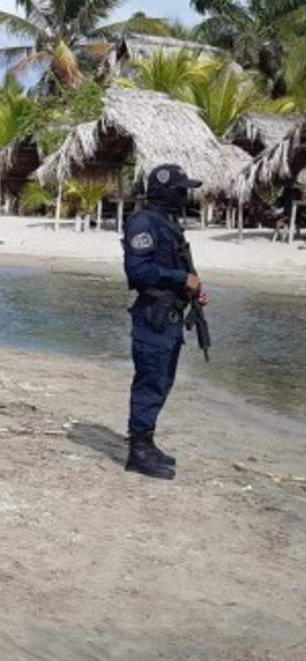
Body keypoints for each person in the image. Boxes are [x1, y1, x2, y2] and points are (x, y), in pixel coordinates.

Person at [121, 164, 210, 480]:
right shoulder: (142, 223)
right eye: (181, 189)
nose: (186, 194)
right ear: (167, 191)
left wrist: (194, 287)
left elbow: (175, 266)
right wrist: (180, 277)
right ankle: (138, 452)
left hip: (168, 316)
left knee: (161, 382)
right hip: (152, 318)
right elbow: (137, 272)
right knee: (150, 383)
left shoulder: (167, 224)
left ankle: (146, 442)